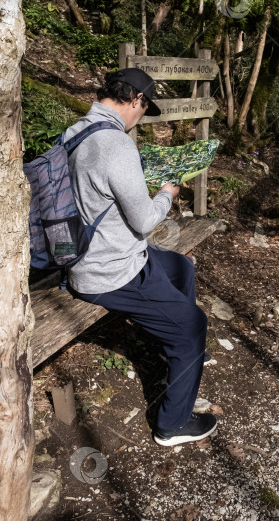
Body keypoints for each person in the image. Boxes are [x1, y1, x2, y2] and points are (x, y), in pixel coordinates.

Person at [64, 68, 216, 446]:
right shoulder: (116, 145)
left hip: (91, 252)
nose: (139, 119)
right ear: (135, 100)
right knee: (193, 325)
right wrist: (168, 191)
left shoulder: (76, 131)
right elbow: (146, 220)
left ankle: (177, 346)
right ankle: (173, 424)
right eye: (142, 110)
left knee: (180, 266)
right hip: (108, 271)